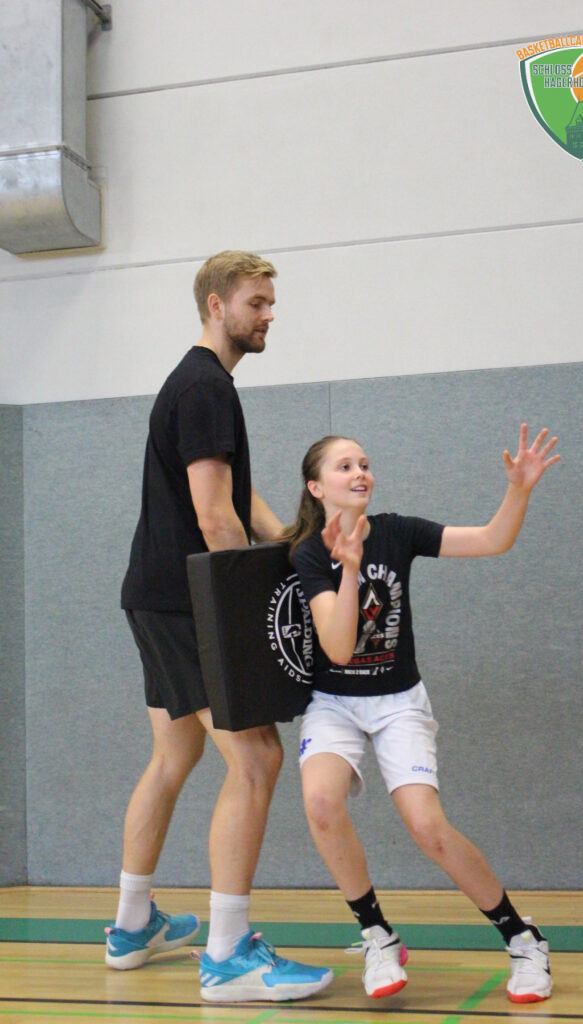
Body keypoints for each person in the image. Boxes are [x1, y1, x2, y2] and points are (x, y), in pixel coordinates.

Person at [109, 250, 333, 1004]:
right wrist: (245, 620)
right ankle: (228, 956)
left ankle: (131, 927)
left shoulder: (200, 384)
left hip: (156, 596)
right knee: (258, 757)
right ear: (216, 305)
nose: (268, 315)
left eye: (271, 304)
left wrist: (292, 544)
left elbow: (235, 497)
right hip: (185, 605)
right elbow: (213, 518)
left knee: (173, 754)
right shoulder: (205, 386)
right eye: (256, 303)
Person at [284, 426, 559, 1003]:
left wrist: (519, 490)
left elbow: (492, 540)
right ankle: (377, 935)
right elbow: (338, 649)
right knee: (320, 803)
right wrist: (349, 569)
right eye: (344, 466)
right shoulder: (308, 554)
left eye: (364, 463)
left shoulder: (397, 532)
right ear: (316, 487)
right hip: (334, 702)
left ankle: (523, 938)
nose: (360, 473)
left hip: (397, 702)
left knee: (428, 828)